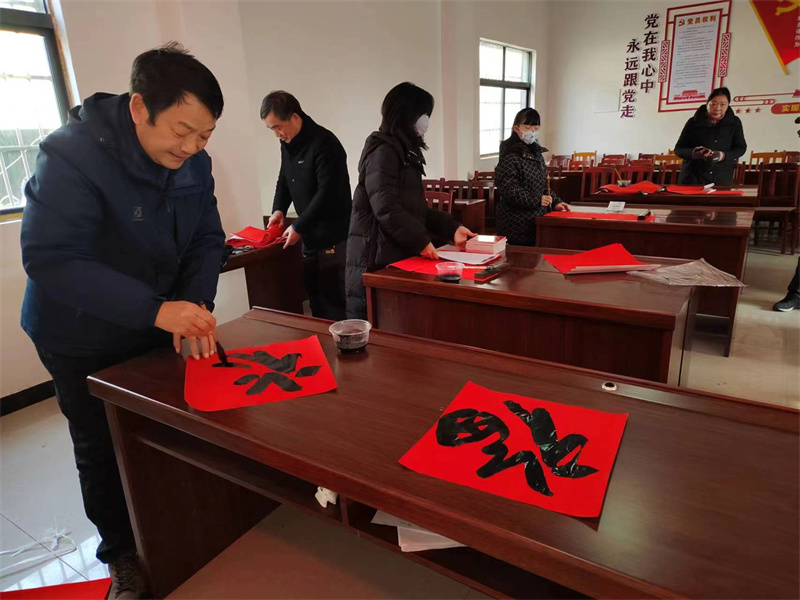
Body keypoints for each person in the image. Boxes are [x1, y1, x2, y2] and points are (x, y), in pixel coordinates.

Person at [20, 43, 226, 599]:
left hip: (151, 321)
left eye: (205, 135)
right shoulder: (70, 155)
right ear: (139, 107)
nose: (191, 147)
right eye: (182, 130)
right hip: (77, 332)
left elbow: (207, 239)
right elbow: (51, 258)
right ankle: (122, 556)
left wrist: (193, 306)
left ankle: (176, 528)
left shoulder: (193, 163)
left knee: (165, 428)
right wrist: (158, 311)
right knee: (101, 445)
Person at [345, 82, 473, 319]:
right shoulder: (383, 152)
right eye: (424, 114)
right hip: (375, 259)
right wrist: (421, 240)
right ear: (407, 114)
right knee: (377, 325)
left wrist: (452, 228)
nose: (427, 122)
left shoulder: (405, 151)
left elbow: (416, 210)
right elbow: (387, 209)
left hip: (392, 253)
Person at [261, 91, 352, 320]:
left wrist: (298, 226)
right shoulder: (288, 143)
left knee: (334, 297)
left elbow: (327, 193)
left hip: (333, 235)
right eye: (271, 129)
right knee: (314, 294)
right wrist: (279, 209)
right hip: (310, 235)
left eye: (278, 127)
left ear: (294, 117)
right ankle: (319, 339)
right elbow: (284, 178)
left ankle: (342, 339)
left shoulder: (324, 143)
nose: (277, 134)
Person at [494, 108, 569, 246]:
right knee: (521, 258)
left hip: (536, 219)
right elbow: (509, 190)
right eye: (528, 128)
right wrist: (537, 200)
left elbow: (542, 185)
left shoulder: (536, 153)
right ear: (516, 129)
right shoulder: (510, 155)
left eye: (535, 128)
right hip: (515, 223)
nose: (532, 132)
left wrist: (555, 202)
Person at [674, 87, 747, 185]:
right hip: (692, 178)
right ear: (707, 103)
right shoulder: (693, 122)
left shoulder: (734, 123)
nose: (717, 108)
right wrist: (695, 153)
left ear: (728, 105)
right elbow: (678, 149)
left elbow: (740, 148)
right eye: (713, 104)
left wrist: (723, 155)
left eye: (723, 104)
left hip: (720, 179)